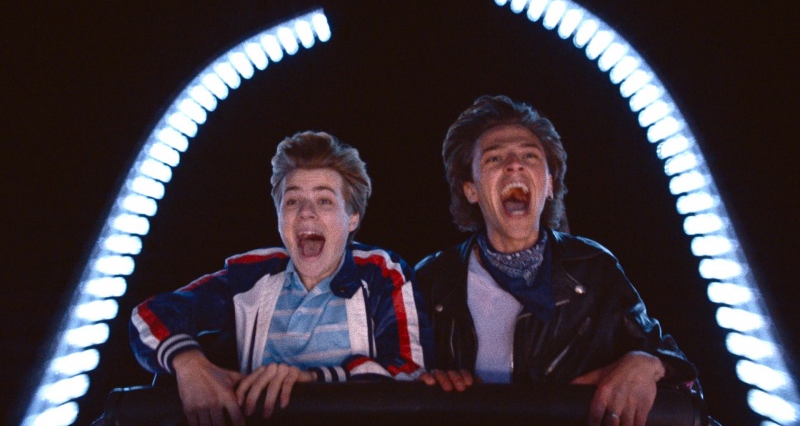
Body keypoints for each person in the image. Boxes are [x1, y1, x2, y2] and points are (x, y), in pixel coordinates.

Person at [415, 95, 700, 426]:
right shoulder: (433, 279)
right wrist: (430, 382)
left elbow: (678, 373)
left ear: (549, 184)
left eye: (529, 155)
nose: (514, 165)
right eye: (494, 158)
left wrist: (647, 363)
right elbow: (395, 375)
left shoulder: (594, 269)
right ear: (471, 190)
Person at [130, 131, 431, 425]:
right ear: (279, 216)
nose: (306, 213)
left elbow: (411, 373)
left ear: (352, 218)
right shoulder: (250, 276)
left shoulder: (381, 272)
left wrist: (313, 380)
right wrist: (189, 363)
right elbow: (149, 316)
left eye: (324, 201)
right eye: (292, 201)